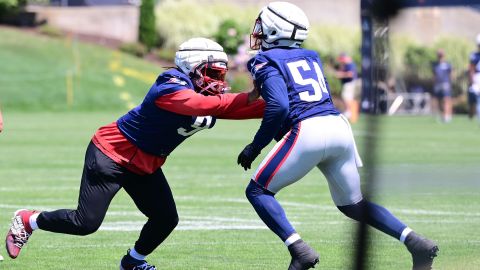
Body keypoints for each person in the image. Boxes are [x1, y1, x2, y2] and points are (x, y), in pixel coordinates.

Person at [5, 37, 265, 270]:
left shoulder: (203, 93)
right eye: (212, 73)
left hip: (144, 164)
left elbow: (237, 109)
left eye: (221, 74)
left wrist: (281, 107)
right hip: (111, 155)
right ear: (191, 68)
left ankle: (133, 261)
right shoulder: (170, 84)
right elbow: (199, 104)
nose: (218, 82)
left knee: (165, 219)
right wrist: (249, 96)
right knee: (85, 224)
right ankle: (29, 220)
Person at [236, 2, 438, 270]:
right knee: (354, 204)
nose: (258, 30)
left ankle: (299, 250)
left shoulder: (264, 60)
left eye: (263, 24)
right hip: (338, 126)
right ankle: (416, 243)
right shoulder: (310, 56)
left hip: (308, 131)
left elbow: (279, 106)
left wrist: (255, 146)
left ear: (274, 29)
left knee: (258, 191)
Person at [335, 52, 359, 123]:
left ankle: (349, 112)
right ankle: (349, 112)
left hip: (349, 83)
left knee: (347, 97)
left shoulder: (349, 64)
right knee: (347, 97)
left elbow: (350, 74)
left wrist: (341, 75)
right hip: (348, 83)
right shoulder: (346, 64)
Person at [432, 49, 453, 123]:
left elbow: (451, 75)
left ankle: (447, 116)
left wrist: (450, 83)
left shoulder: (447, 64)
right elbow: (434, 75)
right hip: (438, 85)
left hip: (445, 84)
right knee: (439, 101)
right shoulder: (435, 65)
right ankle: (442, 115)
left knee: (446, 100)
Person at [468, 34, 480, 122]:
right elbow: (471, 68)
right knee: (475, 99)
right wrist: (472, 80)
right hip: (477, 78)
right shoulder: (474, 55)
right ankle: (472, 115)